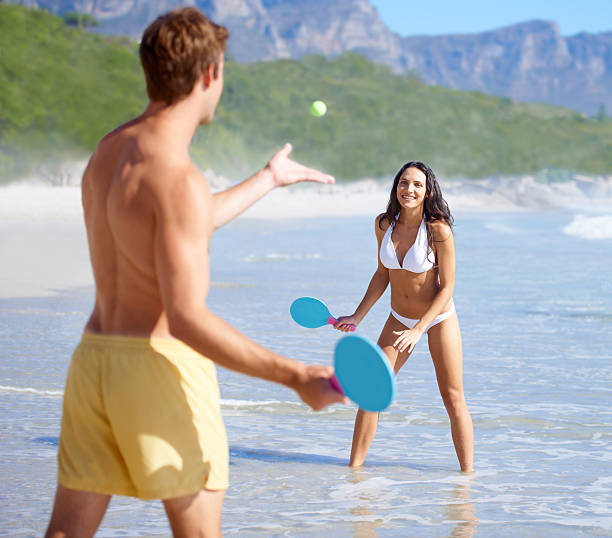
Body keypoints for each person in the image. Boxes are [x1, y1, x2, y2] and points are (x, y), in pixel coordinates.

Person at [45, 7, 346, 538]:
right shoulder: (178, 176)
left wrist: (268, 178)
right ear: (209, 74)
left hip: (94, 361)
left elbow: (175, 226)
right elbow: (185, 318)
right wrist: (296, 376)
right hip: (157, 368)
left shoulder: (108, 153)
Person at [334, 161, 474, 472]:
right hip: (399, 318)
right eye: (403, 183)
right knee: (371, 389)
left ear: (427, 192)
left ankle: (468, 480)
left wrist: (420, 328)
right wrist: (358, 315)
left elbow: (447, 287)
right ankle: (353, 471)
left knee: (452, 398)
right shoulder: (383, 224)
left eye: (417, 185)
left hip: (438, 319)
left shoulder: (438, 230)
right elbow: (383, 274)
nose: (409, 189)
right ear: (396, 187)